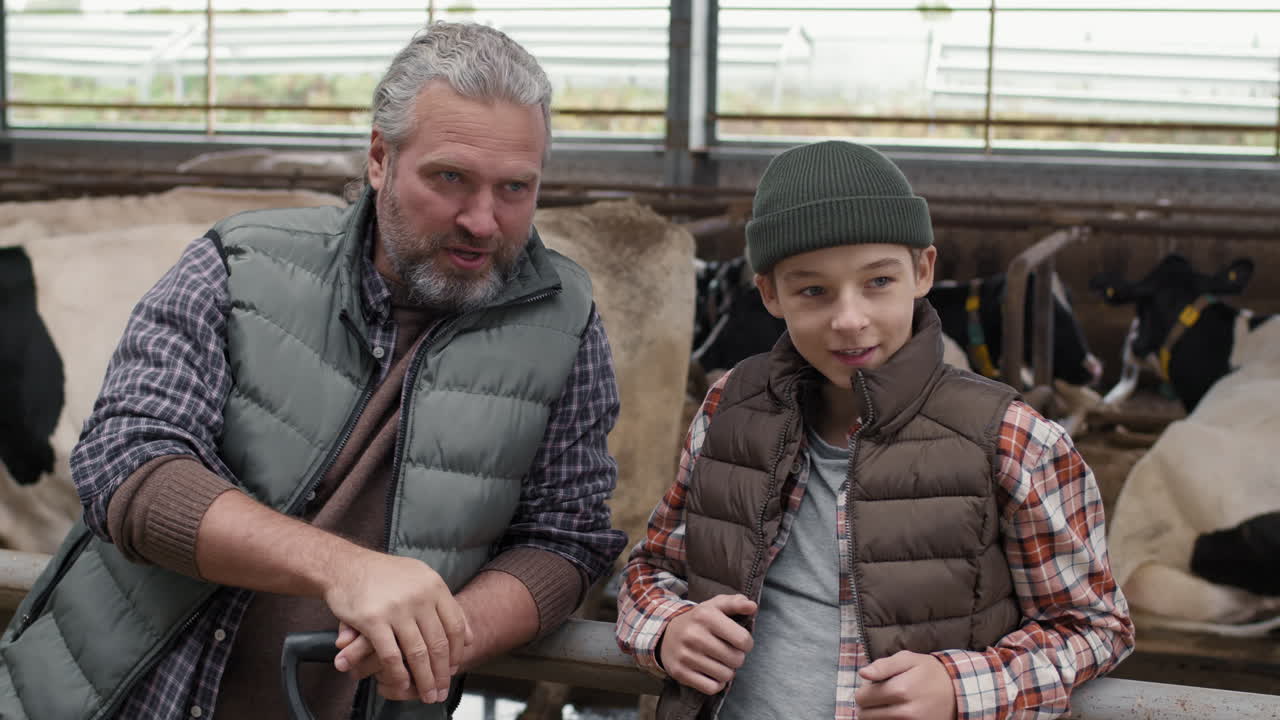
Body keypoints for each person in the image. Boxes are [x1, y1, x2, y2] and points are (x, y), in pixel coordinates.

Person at [1, 21, 627, 720]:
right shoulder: (237, 266)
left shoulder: (565, 325)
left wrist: (446, 634)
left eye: (516, 188)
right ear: (380, 158)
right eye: (450, 177)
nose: (483, 220)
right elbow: (129, 465)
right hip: (124, 698)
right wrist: (347, 570)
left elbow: (566, 538)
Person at [616, 141, 1135, 720]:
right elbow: (653, 566)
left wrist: (962, 688)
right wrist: (665, 627)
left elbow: (1093, 626)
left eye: (878, 282)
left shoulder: (1013, 439)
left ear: (922, 272)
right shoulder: (729, 407)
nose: (849, 319)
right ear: (769, 294)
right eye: (813, 290)